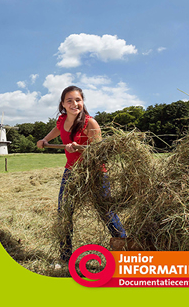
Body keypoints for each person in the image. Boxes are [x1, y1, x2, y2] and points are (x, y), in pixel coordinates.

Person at [37, 85, 126, 265]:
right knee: (64, 213)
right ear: (62, 104)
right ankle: (64, 257)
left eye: (78, 100)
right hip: (71, 171)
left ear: (83, 102)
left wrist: (78, 147)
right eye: (69, 100)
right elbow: (57, 130)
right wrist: (45, 140)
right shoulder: (61, 120)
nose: (74, 103)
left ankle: (125, 247)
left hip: (94, 173)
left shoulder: (90, 123)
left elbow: (100, 153)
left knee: (105, 211)